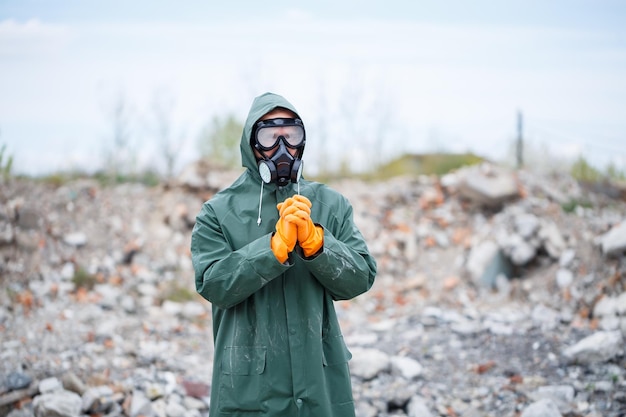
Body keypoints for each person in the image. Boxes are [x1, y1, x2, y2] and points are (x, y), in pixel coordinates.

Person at [191, 92, 377, 417]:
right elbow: (212, 284)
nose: (282, 147)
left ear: (302, 141)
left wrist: (319, 245)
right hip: (249, 392)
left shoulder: (330, 204)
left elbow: (360, 277)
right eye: (269, 135)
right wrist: (270, 251)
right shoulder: (218, 212)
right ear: (251, 142)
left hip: (319, 387)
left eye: (291, 135)